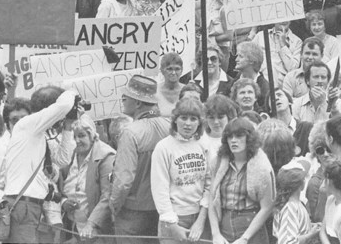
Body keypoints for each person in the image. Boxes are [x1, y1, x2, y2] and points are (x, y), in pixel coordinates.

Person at [0, 86, 79, 243]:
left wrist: (68, 125)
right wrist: (72, 93)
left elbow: (62, 159)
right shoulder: (27, 124)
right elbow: (63, 105)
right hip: (23, 204)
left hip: (31, 206)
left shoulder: (37, 134)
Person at [110, 74, 171, 244]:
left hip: (132, 213)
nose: (123, 99)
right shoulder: (170, 126)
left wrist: (114, 206)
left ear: (137, 103)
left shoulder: (130, 133)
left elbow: (123, 182)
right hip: (163, 209)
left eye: (126, 98)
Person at [151, 98, 211, 244]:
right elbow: (160, 189)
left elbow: (210, 183)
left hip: (200, 216)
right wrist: (172, 225)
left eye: (193, 119)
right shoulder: (163, 148)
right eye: (183, 118)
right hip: (174, 217)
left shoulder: (204, 143)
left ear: (200, 122)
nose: (188, 123)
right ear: (175, 120)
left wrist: (201, 220)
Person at [208, 118, 276, 244]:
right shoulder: (219, 163)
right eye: (230, 137)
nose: (233, 140)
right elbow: (212, 199)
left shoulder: (262, 167)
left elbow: (267, 207)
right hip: (224, 226)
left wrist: (245, 238)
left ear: (249, 138)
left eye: (239, 136)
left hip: (251, 227)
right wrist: (216, 234)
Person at [62, 114, 116, 241]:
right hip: (74, 227)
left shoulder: (106, 156)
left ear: (92, 135)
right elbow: (61, 183)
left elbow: (107, 196)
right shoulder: (73, 154)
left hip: (98, 230)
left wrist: (91, 224)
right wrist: (64, 202)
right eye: (74, 137)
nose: (77, 140)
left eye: (81, 135)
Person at [273, 165, 315, 244]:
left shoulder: (296, 204)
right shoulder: (290, 208)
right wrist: (310, 235)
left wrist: (311, 226)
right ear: (301, 184)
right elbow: (287, 242)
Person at [155, 52, 186, 117]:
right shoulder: (154, 92)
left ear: (182, 70)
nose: (173, 73)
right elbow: (149, 114)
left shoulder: (188, 92)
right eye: (169, 69)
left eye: (177, 69)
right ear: (162, 70)